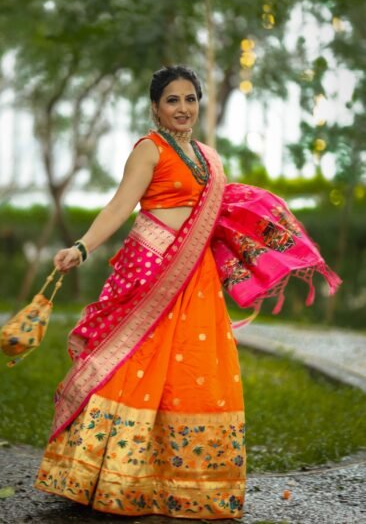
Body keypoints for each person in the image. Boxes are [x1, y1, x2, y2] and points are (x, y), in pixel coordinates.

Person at [34, 65, 341, 519]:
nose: (183, 107)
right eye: (172, 100)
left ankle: (187, 484)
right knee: (132, 364)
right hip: (149, 270)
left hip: (194, 279)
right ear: (156, 107)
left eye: (190, 98)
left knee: (194, 371)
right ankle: (104, 478)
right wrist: (82, 246)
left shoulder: (208, 157)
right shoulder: (149, 150)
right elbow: (121, 204)